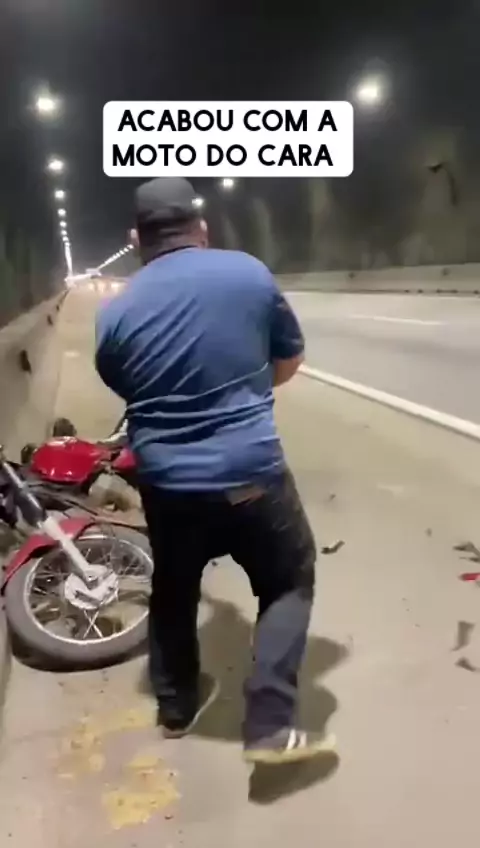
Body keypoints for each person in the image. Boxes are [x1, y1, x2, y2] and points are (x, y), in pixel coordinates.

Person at [95, 177, 336, 765]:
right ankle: (270, 724)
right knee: (288, 579)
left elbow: (127, 387)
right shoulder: (248, 274)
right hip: (251, 473)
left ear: (137, 240)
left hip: (168, 483)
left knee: (174, 588)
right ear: (201, 228)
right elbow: (288, 360)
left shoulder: (115, 312)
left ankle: (175, 707)